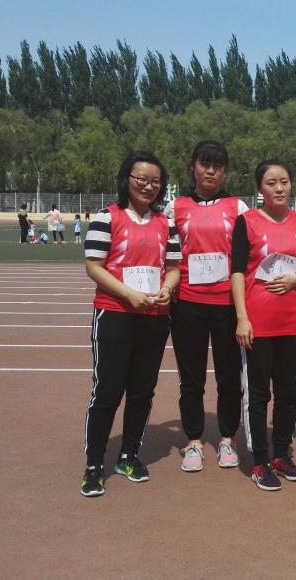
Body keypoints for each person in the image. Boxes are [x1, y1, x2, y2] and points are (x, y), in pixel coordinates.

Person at [79, 151, 181, 497]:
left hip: (153, 317)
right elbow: (94, 267)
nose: (149, 186)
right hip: (115, 314)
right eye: (142, 179)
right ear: (127, 179)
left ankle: (128, 456)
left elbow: (173, 268)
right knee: (107, 391)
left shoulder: (166, 223)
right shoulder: (107, 217)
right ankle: (95, 464)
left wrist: (167, 290)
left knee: (141, 391)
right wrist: (128, 295)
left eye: (155, 181)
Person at [232, 160, 296, 491]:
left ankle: (281, 455)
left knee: (287, 393)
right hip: (258, 322)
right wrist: (242, 317)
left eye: (284, 181)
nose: (279, 188)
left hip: (293, 321)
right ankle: (259, 461)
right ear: (260, 189)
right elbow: (238, 272)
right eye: (271, 183)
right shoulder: (247, 222)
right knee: (258, 394)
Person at [166, 140, 249, 473]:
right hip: (188, 302)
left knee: (229, 376)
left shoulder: (237, 206)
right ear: (193, 168)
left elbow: (245, 255)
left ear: (224, 171)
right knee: (191, 377)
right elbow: (167, 253)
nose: (211, 171)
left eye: (217, 166)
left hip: (227, 303)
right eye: (205, 164)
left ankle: (227, 438)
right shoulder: (176, 206)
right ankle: (194, 440)